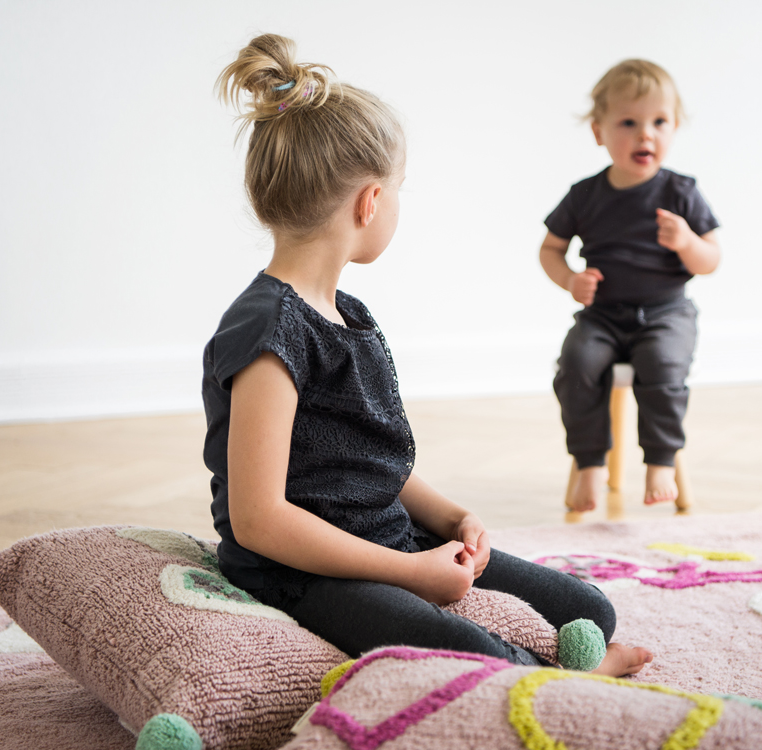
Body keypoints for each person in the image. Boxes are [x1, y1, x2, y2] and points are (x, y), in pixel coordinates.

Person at [202, 33, 651, 675]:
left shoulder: (347, 316)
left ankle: (550, 652)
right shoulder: (266, 333)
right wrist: (411, 573)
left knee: (587, 609)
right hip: (301, 572)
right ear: (370, 202)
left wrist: (451, 516)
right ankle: (549, 678)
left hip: (387, 534)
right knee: (457, 649)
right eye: (400, 188)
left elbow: (363, 457)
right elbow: (259, 521)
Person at [539, 59, 721, 513]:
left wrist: (687, 242)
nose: (646, 135)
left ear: (675, 127)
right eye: (629, 122)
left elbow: (712, 259)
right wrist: (570, 280)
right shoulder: (585, 195)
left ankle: (660, 460)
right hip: (602, 316)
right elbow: (550, 249)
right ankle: (590, 462)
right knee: (576, 365)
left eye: (660, 122)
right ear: (599, 131)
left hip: (666, 314)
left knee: (663, 366)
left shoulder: (680, 193)